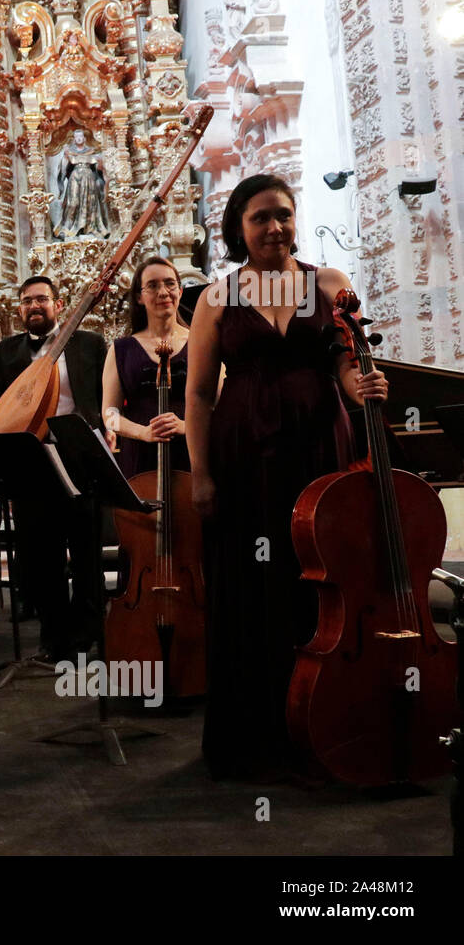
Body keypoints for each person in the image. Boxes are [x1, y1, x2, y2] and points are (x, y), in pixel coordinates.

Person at [185, 173, 387, 780]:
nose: (275, 227)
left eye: (284, 214)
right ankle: (258, 736)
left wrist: (366, 386)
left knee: (321, 581)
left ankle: (327, 723)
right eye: (260, 218)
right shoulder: (218, 298)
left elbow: (349, 368)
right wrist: (200, 475)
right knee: (253, 586)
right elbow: (197, 395)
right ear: (238, 229)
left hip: (319, 449)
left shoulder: (328, 284)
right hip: (242, 456)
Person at [0, 275, 109, 663]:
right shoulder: (8, 351)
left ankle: (89, 636)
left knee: (85, 554)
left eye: (42, 299)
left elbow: (108, 398)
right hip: (31, 463)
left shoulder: (90, 344)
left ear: (59, 305)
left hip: (80, 459)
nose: (35, 306)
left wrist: (110, 430)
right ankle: (54, 639)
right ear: (19, 309)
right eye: (27, 300)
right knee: (40, 558)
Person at [102, 256, 191, 479]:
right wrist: (143, 432)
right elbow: (109, 414)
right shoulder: (120, 350)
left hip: (192, 455)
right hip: (140, 461)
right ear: (140, 297)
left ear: (180, 291)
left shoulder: (201, 343)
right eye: (152, 285)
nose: (163, 292)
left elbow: (221, 405)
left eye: (170, 284)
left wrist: (186, 426)